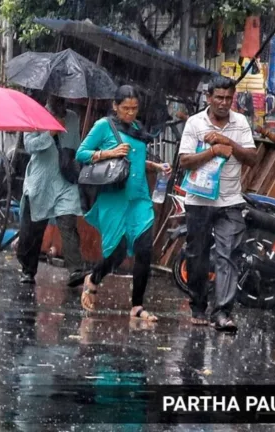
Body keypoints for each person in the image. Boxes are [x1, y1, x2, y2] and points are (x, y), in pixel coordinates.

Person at [75, 85, 171, 321]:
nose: (130, 113)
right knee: (116, 254)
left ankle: (137, 306)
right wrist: (109, 153)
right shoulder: (103, 126)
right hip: (114, 197)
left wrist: (156, 167)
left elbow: (135, 160)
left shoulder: (137, 128)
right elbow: (81, 154)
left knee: (145, 249)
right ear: (115, 107)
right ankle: (94, 278)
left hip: (139, 197)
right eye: (125, 108)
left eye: (134, 109)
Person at [179, 76, 257, 332]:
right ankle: (199, 305)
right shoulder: (194, 123)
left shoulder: (241, 122)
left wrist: (229, 144)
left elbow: (252, 159)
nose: (224, 103)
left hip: (231, 201)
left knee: (228, 256)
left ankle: (223, 312)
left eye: (228, 98)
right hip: (199, 200)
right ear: (208, 98)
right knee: (198, 256)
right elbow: (185, 161)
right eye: (219, 98)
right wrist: (212, 151)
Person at [16, 95, 84, 285]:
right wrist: (50, 133)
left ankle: (76, 269)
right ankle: (28, 270)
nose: (61, 103)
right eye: (58, 100)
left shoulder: (73, 118)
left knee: (68, 222)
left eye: (64, 100)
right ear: (50, 98)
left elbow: (76, 145)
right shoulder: (35, 115)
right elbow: (29, 146)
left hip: (64, 178)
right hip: (41, 180)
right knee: (33, 228)